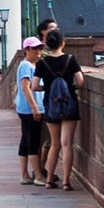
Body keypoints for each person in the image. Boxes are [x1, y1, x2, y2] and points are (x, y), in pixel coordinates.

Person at [38, 38, 84, 188]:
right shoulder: (70, 60)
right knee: (66, 144)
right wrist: (70, 88)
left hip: (52, 105)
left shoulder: (42, 63)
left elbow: (34, 85)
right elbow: (81, 82)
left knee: (55, 144)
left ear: (47, 45)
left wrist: (49, 88)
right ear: (62, 43)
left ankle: (50, 180)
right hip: (69, 104)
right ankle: (66, 181)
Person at [14, 22, 55, 185]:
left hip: (26, 109)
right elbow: (26, 88)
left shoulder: (32, 64)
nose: (38, 51)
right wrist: (35, 107)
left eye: (39, 48)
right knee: (33, 141)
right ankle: (38, 176)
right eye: (34, 49)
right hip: (30, 109)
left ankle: (24, 174)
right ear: (26, 50)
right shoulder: (26, 65)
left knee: (26, 140)